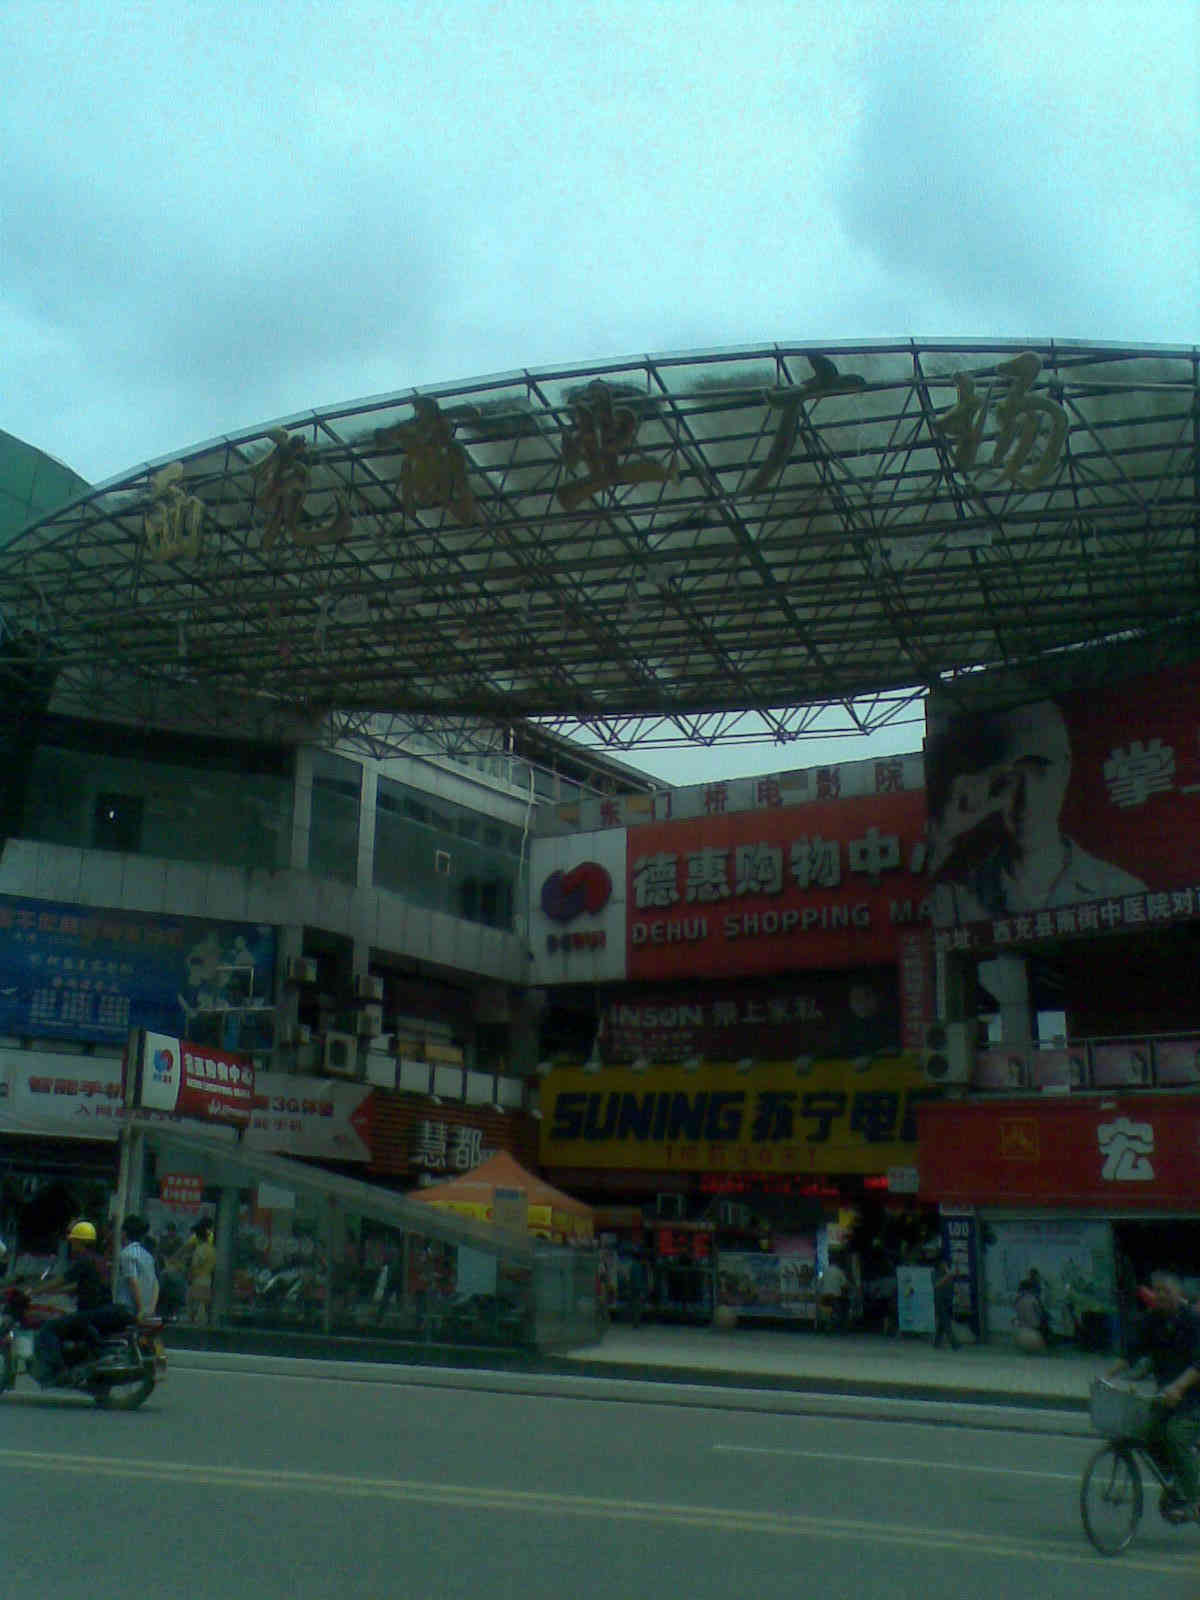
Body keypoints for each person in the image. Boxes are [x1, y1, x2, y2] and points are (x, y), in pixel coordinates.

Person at [927, 699, 1146, 924]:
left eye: (1040, 774)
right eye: (1011, 780)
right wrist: (942, 834)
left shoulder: (1123, 892)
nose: (1027, 799)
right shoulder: (955, 900)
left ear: (1065, 771)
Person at [1108, 1271, 1200, 1519]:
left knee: (1176, 1435)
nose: (1160, 1295)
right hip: (1166, 1397)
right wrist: (1108, 1376)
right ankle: (1178, 1480)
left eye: (1165, 1291)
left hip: (1193, 1398)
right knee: (1146, 1432)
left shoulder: (1193, 1321)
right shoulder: (1152, 1320)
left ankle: (1194, 1500)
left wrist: (1179, 1387)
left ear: (1178, 1294)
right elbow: (1132, 1352)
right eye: (1156, 1290)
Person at [33, 1219, 130, 1385]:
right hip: (102, 1310)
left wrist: (36, 1290)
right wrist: (53, 1291)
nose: (71, 1245)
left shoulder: (84, 1261)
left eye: (73, 1241)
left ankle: (58, 1371)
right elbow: (80, 1286)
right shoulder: (99, 1260)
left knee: (48, 1328)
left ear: (79, 1242)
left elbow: (63, 1280)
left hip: (90, 1312)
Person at [116, 1215, 160, 1321]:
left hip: (128, 1310)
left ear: (124, 1233)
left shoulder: (127, 1254)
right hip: (148, 1311)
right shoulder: (148, 1256)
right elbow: (156, 1284)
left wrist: (141, 1310)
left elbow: (133, 1282)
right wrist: (151, 1309)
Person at [185, 1220, 216, 1325]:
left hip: (198, 1281)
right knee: (203, 1307)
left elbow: (195, 1266)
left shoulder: (200, 1249)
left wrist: (189, 1277)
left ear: (198, 1237)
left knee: (195, 1308)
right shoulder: (212, 1250)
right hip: (208, 1280)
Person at [932, 1256, 959, 1351]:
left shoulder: (948, 1273)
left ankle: (936, 1342)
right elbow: (936, 1284)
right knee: (946, 1323)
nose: (945, 1265)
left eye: (946, 1264)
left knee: (942, 1323)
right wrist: (947, 1276)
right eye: (943, 1263)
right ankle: (955, 1344)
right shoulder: (935, 1273)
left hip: (948, 1300)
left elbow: (953, 1286)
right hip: (939, 1301)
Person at [818, 1254, 850, 1333]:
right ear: (837, 1263)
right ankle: (836, 1323)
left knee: (825, 1311)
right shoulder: (840, 1271)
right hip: (835, 1296)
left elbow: (820, 1283)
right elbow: (844, 1284)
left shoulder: (825, 1271)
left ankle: (827, 1324)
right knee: (838, 1310)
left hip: (825, 1295)